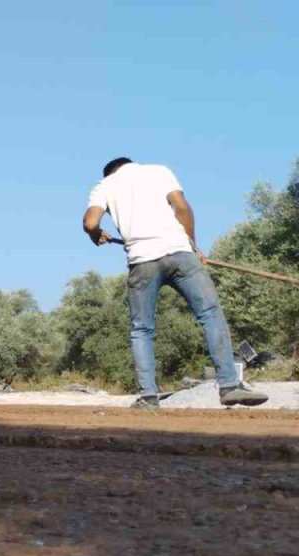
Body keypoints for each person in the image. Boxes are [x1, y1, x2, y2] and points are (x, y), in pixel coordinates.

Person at [82, 158, 267, 409]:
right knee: (211, 314)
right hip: (180, 254)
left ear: (109, 173)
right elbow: (181, 207)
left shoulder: (105, 185)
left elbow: (91, 222)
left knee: (142, 329)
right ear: (131, 164)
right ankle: (229, 385)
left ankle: (148, 398)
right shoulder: (159, 171)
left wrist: (96, 235)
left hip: (142, 260)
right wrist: (191, 244)